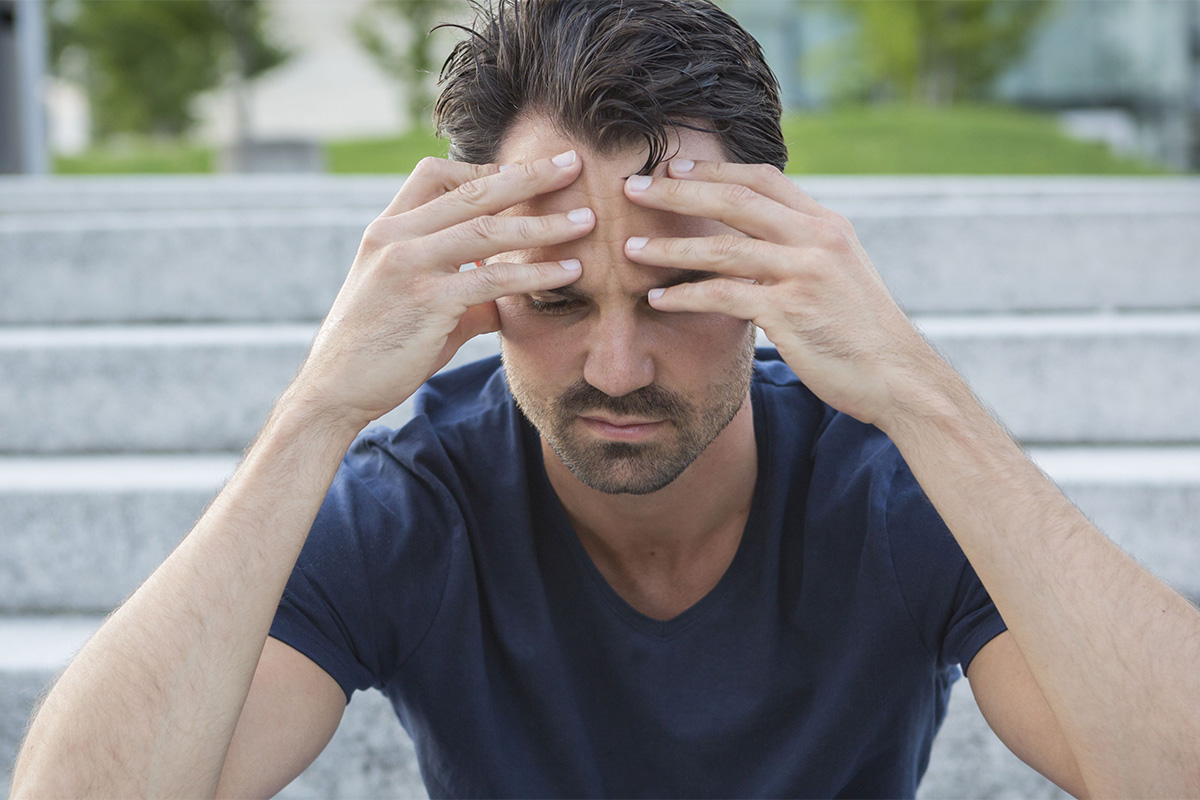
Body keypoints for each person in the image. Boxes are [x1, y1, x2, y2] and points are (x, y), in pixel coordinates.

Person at [12, 0, 1200, 797]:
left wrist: (921, 392)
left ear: (769, 273)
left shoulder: (889, 486)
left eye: (677, 291)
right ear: (483, 291)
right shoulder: (419, 502)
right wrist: (317, 407)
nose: (620, 369)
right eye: (562, 302)